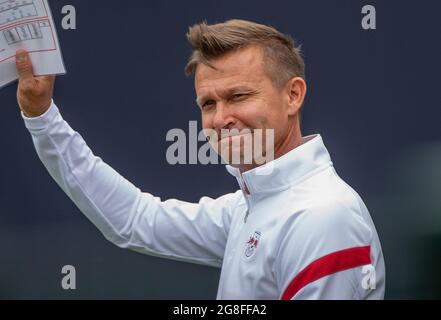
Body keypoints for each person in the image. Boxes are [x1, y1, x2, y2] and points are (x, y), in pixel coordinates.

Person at [15, 19, 385, 299]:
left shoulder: (321, 214)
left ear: (293, 95)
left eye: (239, 96)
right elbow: (135, 220)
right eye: (209, 103)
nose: (221, 118)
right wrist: (42, 115)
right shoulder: (256, 204)